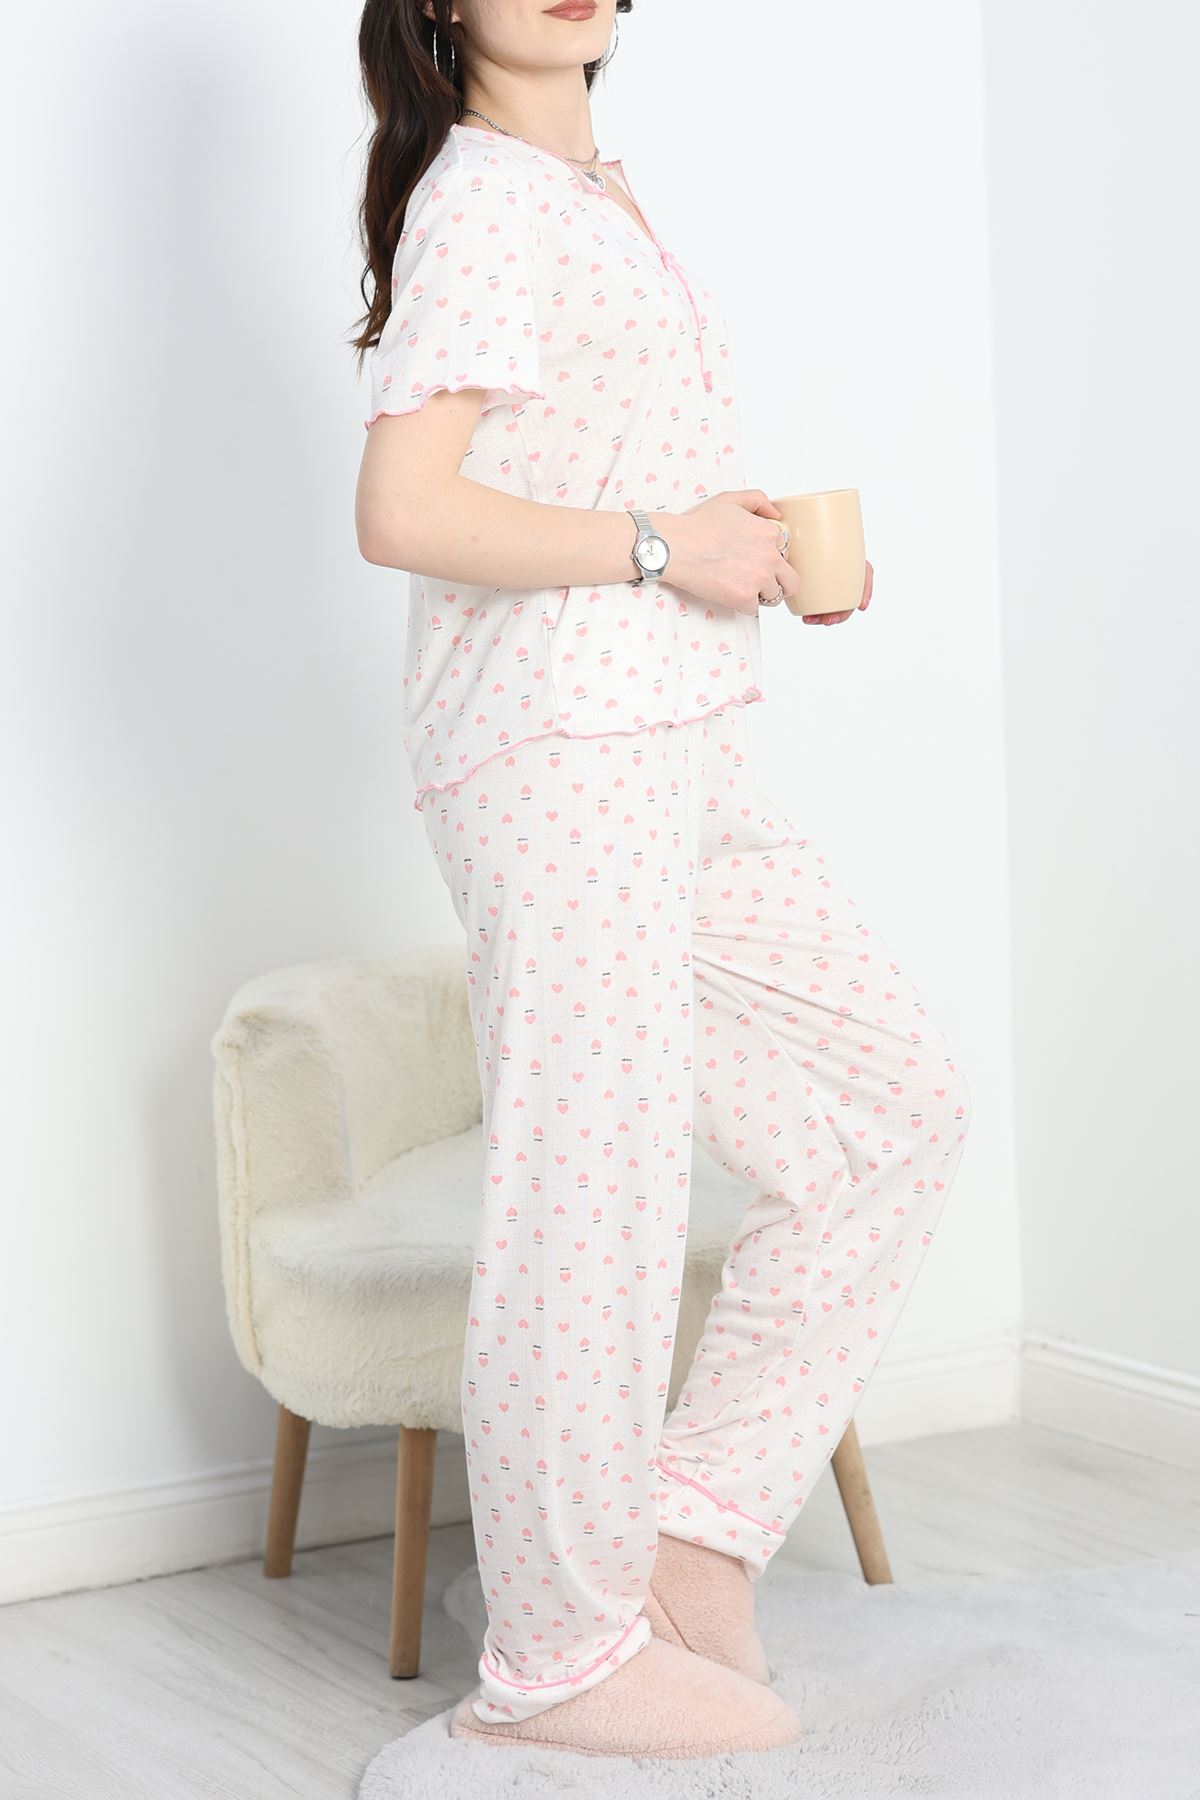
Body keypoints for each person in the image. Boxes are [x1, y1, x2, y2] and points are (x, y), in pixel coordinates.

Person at [352, 0, 972, 1762]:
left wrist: (727, 544)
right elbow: (403, 509)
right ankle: (556, 1658)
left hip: (676, 734)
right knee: (593, 1193)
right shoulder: (483, 193)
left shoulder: (589, 189)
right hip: (560, 746)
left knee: (888, 1111)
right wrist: (657, 545)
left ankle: (689, 1530)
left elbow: (585, 473)